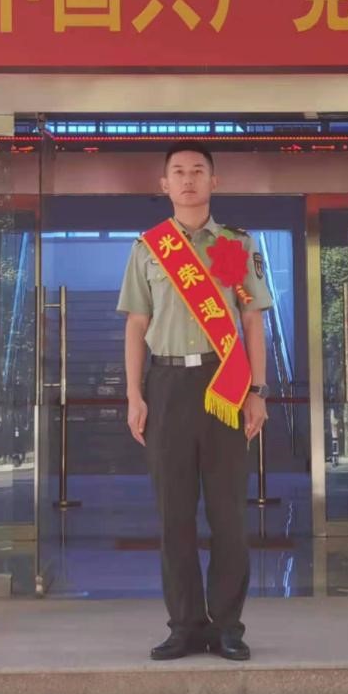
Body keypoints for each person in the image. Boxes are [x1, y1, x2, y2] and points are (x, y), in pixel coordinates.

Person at [117, 144, 273, 662]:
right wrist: (135, 394)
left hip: (224, 384)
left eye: (198, 171)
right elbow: (136, 324)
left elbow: (252, 320)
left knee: (229, 516)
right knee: (174, 517)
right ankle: (184, 625)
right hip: (166, 386)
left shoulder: (234, 245)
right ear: (164, 184)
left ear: (214, 181)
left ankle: (228, 626)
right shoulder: (148, 248)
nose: (188, 180)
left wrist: (257, 391)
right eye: (178, 172)